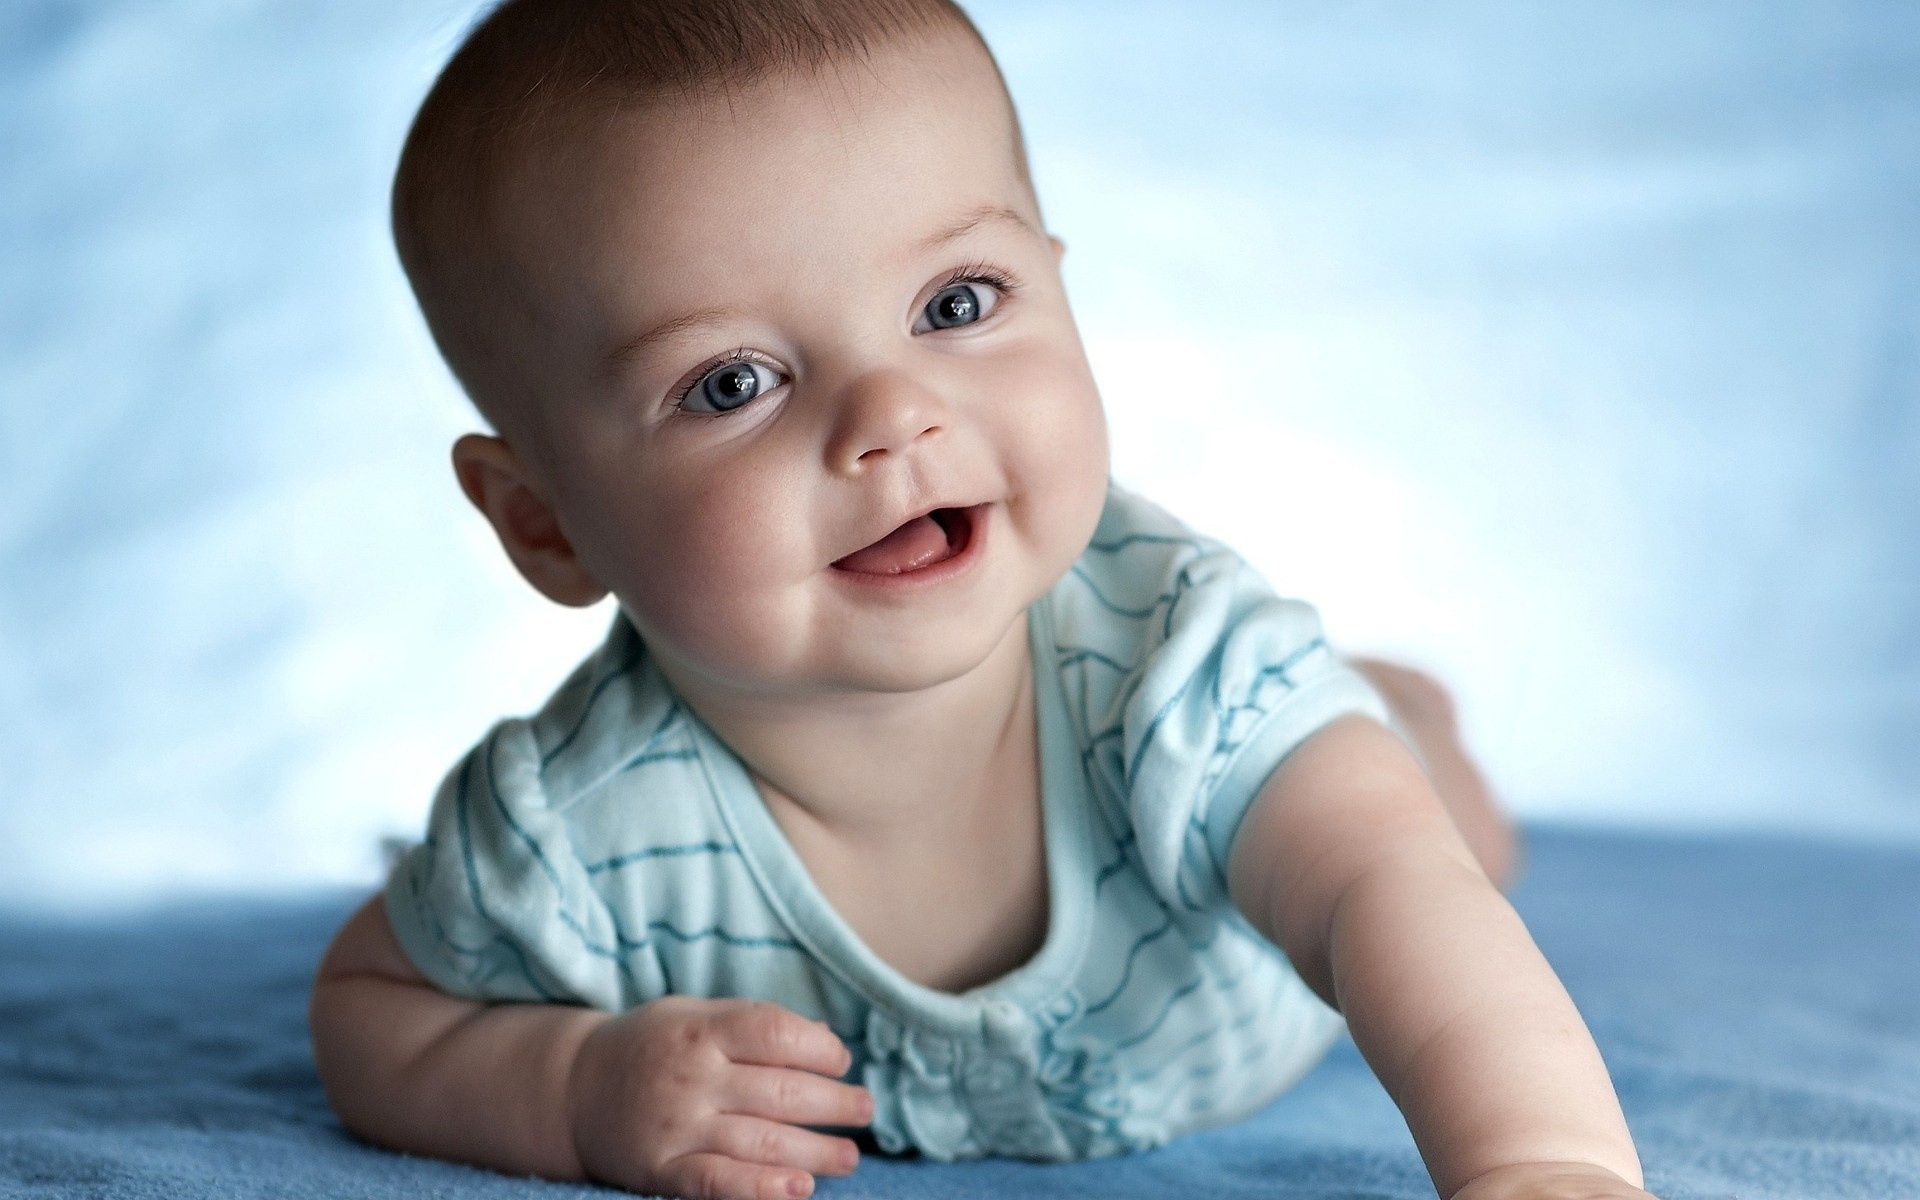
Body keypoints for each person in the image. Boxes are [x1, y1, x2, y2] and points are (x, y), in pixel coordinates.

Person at [307, 2, 1651, 1198]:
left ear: (1058, 286)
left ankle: (1397, 717)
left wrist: (1544, 1165)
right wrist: (576, 1092)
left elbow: (1384, 892)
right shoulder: (575, 831)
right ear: (545, 521)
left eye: (956, 302)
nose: (892, 414)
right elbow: (370, 1011)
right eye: (732, 383)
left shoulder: (1183, 671)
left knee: (1432, 831)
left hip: (1279, 939)